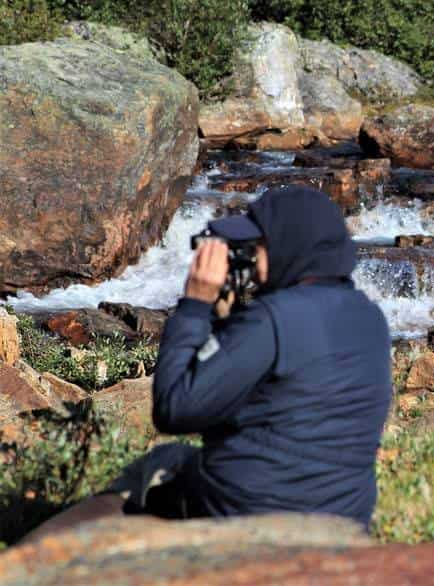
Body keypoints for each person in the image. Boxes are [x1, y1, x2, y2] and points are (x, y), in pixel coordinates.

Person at [137, 185, 392, 528]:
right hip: (344, 516)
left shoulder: (270, 319)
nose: (253, 260)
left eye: (259, 245)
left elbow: (174, 409)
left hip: (251, 512)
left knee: (156, 471)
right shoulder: (371, 318)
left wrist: (196, 307)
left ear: (290, 245)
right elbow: (286, 401)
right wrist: (227, 324)